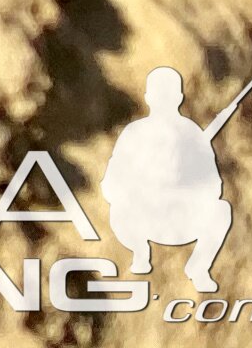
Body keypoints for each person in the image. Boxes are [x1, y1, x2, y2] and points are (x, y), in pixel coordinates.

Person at [101, 67, 235, 295]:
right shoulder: (134, 133)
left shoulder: (192, 134)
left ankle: (199, 267)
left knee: (221, 211)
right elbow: (111, 185)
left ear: (179, 98)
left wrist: (184, 183)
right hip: (144, 219)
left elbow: (214, 187)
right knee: (119, 211)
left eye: (169, 95)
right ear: (149, 98)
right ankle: (141, 253)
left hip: (182, 219)